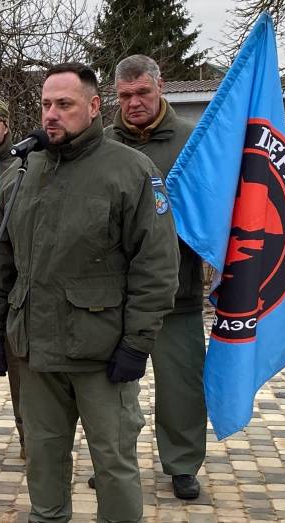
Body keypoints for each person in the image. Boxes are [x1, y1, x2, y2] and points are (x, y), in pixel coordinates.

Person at [0, 62, 179, 522]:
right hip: (35, 353)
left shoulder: (130, 171)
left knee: (114, 463)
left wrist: (136, 343)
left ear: (92, 107)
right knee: (44, 463)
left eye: (64, 105)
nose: (52, 114)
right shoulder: (20, 173)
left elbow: (156, 267)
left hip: (103, 354)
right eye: (47, 104)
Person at [98, 54, 206, 500]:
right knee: (111, 390)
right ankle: (114, 463)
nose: (134, 103)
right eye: (125, 96)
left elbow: (213, 208)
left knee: (180, 385)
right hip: (112, 294)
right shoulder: (101, 143)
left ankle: (181, 464)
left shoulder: (194, 140)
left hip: (176, 291)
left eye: (142, 92)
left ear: (160, 86)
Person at [0, 94, 25, 459]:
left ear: (5, 125)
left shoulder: (21, 168)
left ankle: (29, 438)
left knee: (21, 375)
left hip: (10, 285)